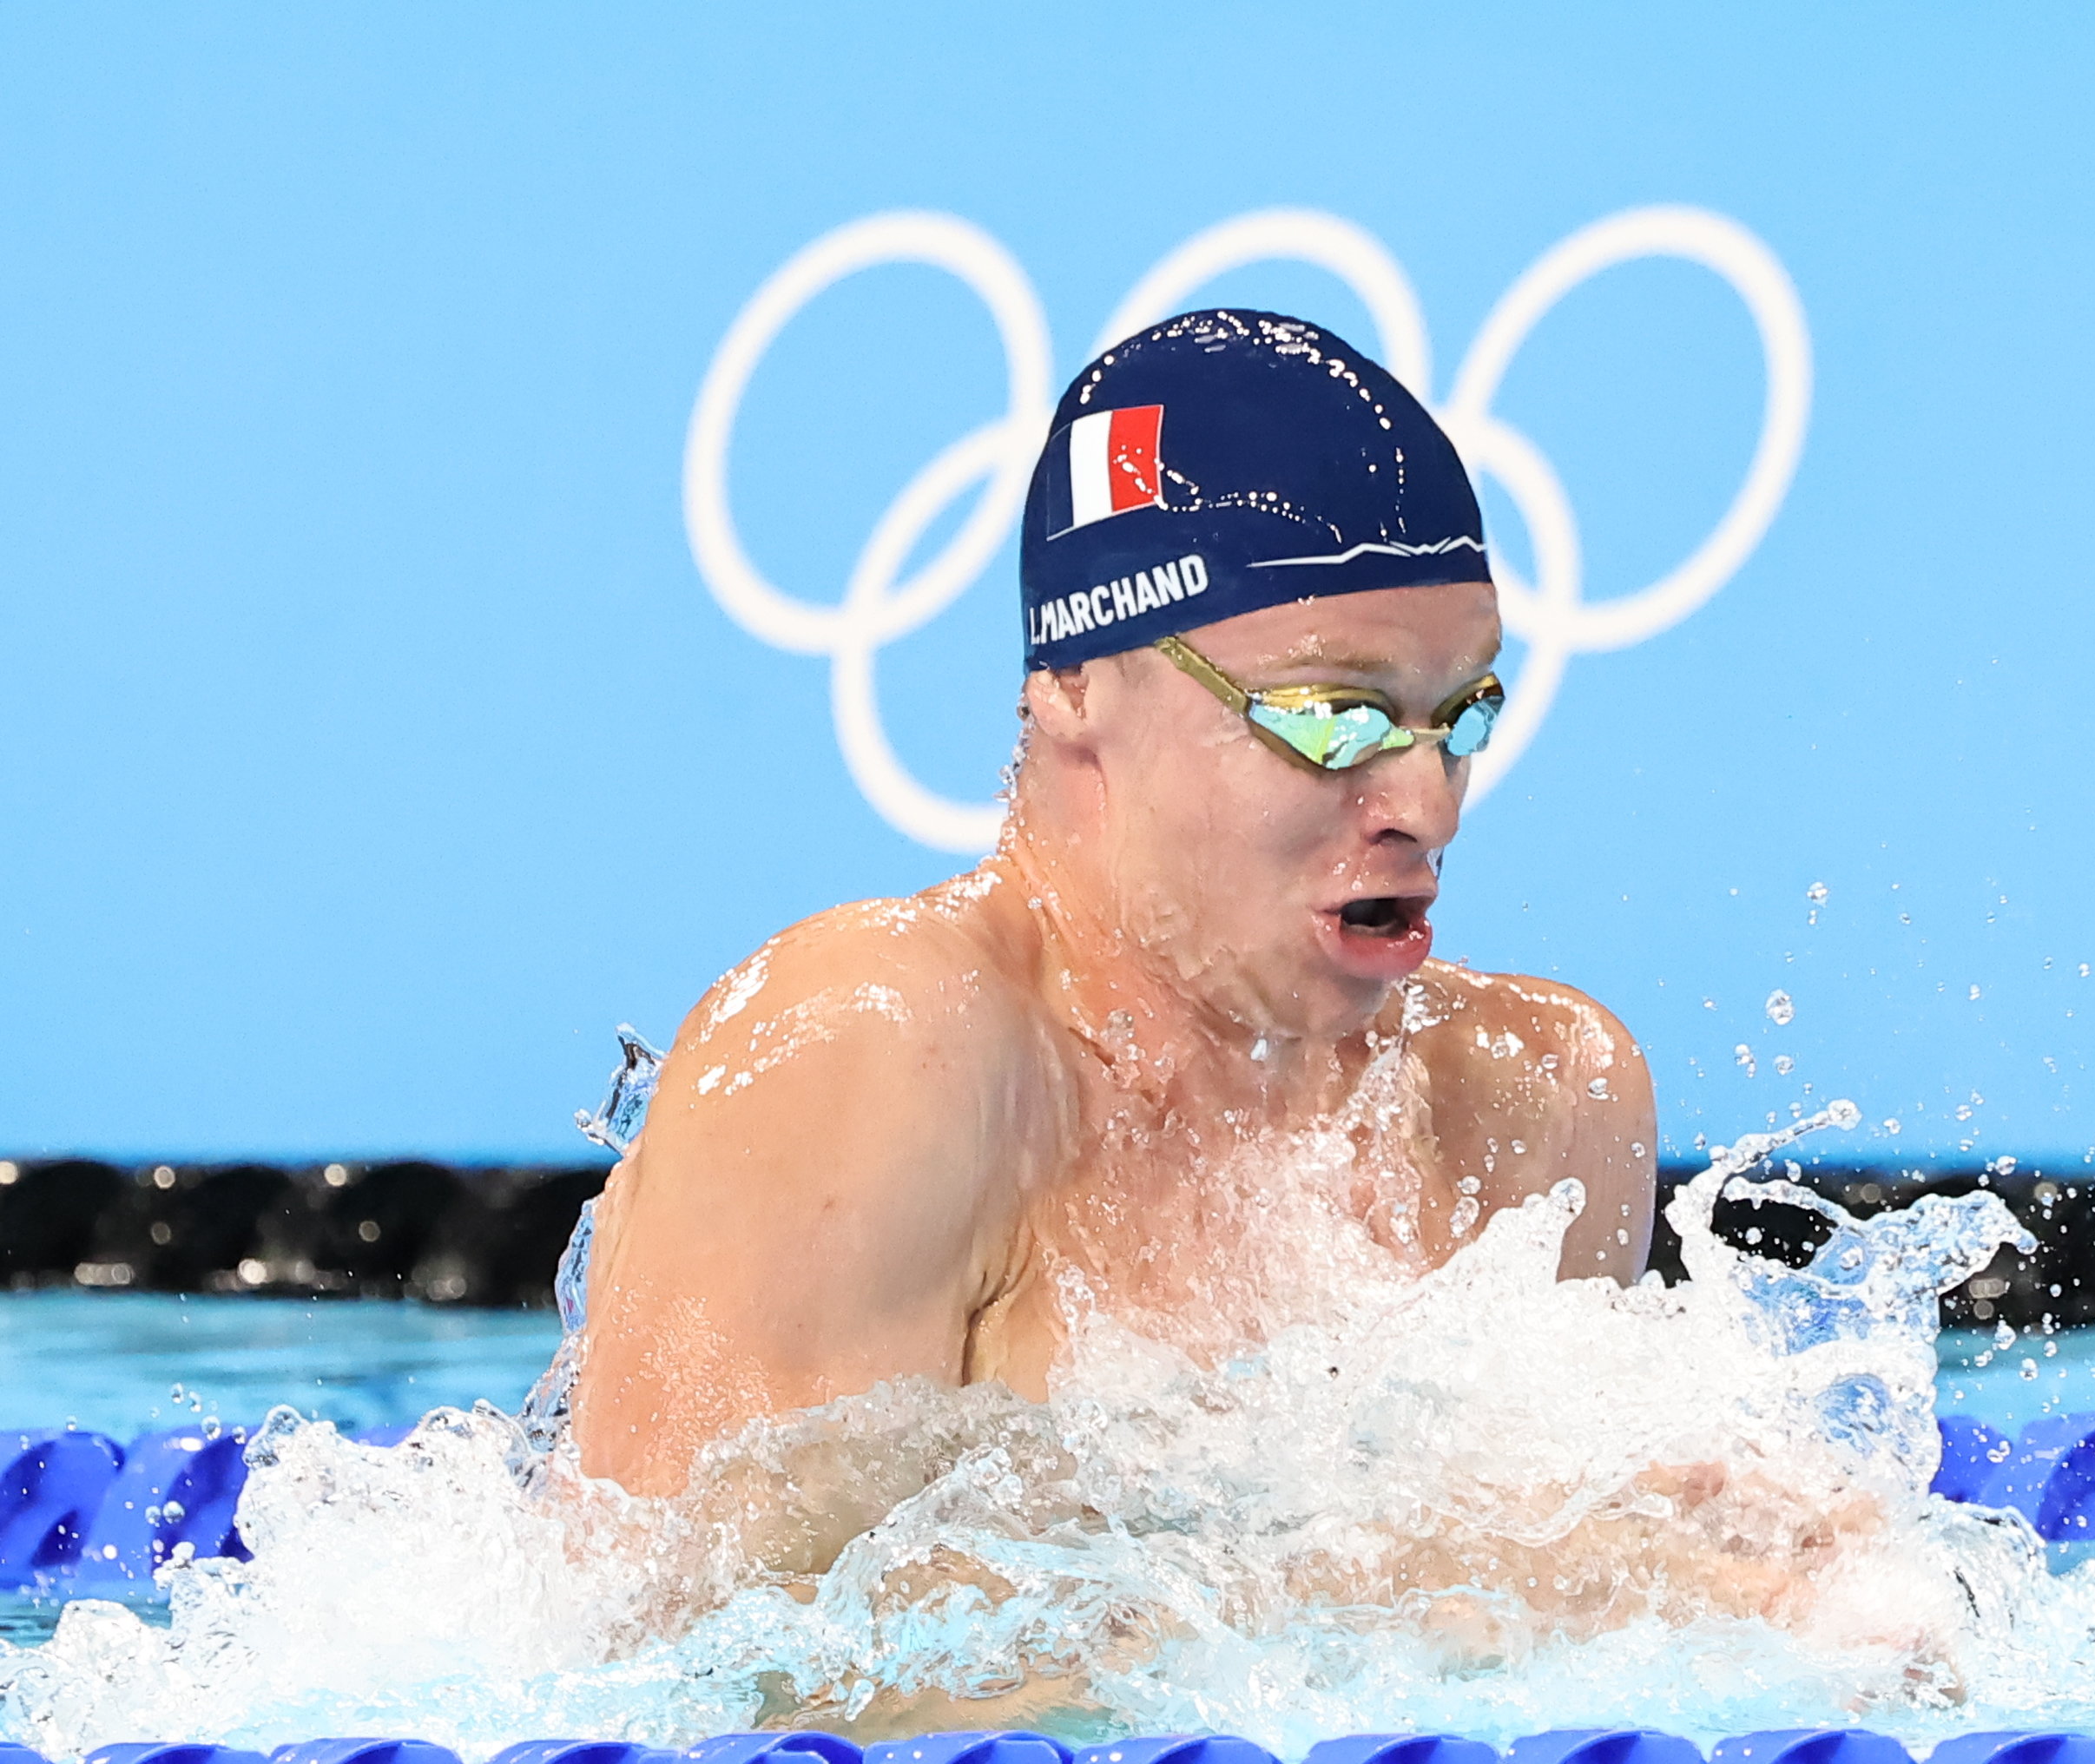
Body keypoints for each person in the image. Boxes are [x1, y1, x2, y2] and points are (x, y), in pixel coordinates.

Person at [572, 309, 1657, 1497]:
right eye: (1332, 717)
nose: (1427, 808)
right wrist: (1448, 1590)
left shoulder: (1534, 1104)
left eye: (1465, 716)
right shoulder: (876, 1055)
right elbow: (700, 1652)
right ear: (1078, 682)